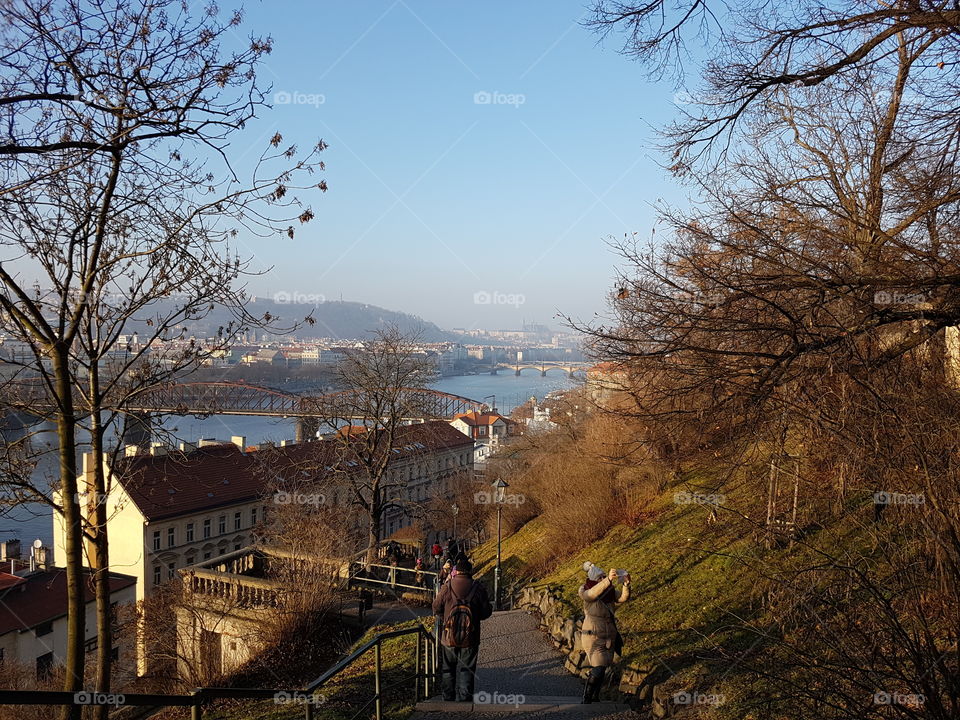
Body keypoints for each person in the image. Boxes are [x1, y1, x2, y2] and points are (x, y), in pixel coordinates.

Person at [432, 559, 493, 702]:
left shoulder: (447, 587)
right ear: (470, 572)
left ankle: (448, 697)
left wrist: (446, 618)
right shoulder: (478, 588)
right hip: (470, 636)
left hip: (448, 636)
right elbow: (486, 613)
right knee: (468, 668)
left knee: (448, 668)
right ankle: (465, 698)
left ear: (456, 571)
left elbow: (435, 607)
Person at [578, 562, 630, 704]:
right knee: (599, 665)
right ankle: (587, 696)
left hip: (609, 634)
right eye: (600, 577)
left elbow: (622, 598)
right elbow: (593, 593)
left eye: (603, 577)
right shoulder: (585, 589)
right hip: (593, 634)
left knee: (603, 665)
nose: (602, 579)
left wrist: (626, 584)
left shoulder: (609, 591)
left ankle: (595, 696)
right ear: (594, 579)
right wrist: (608, 580)